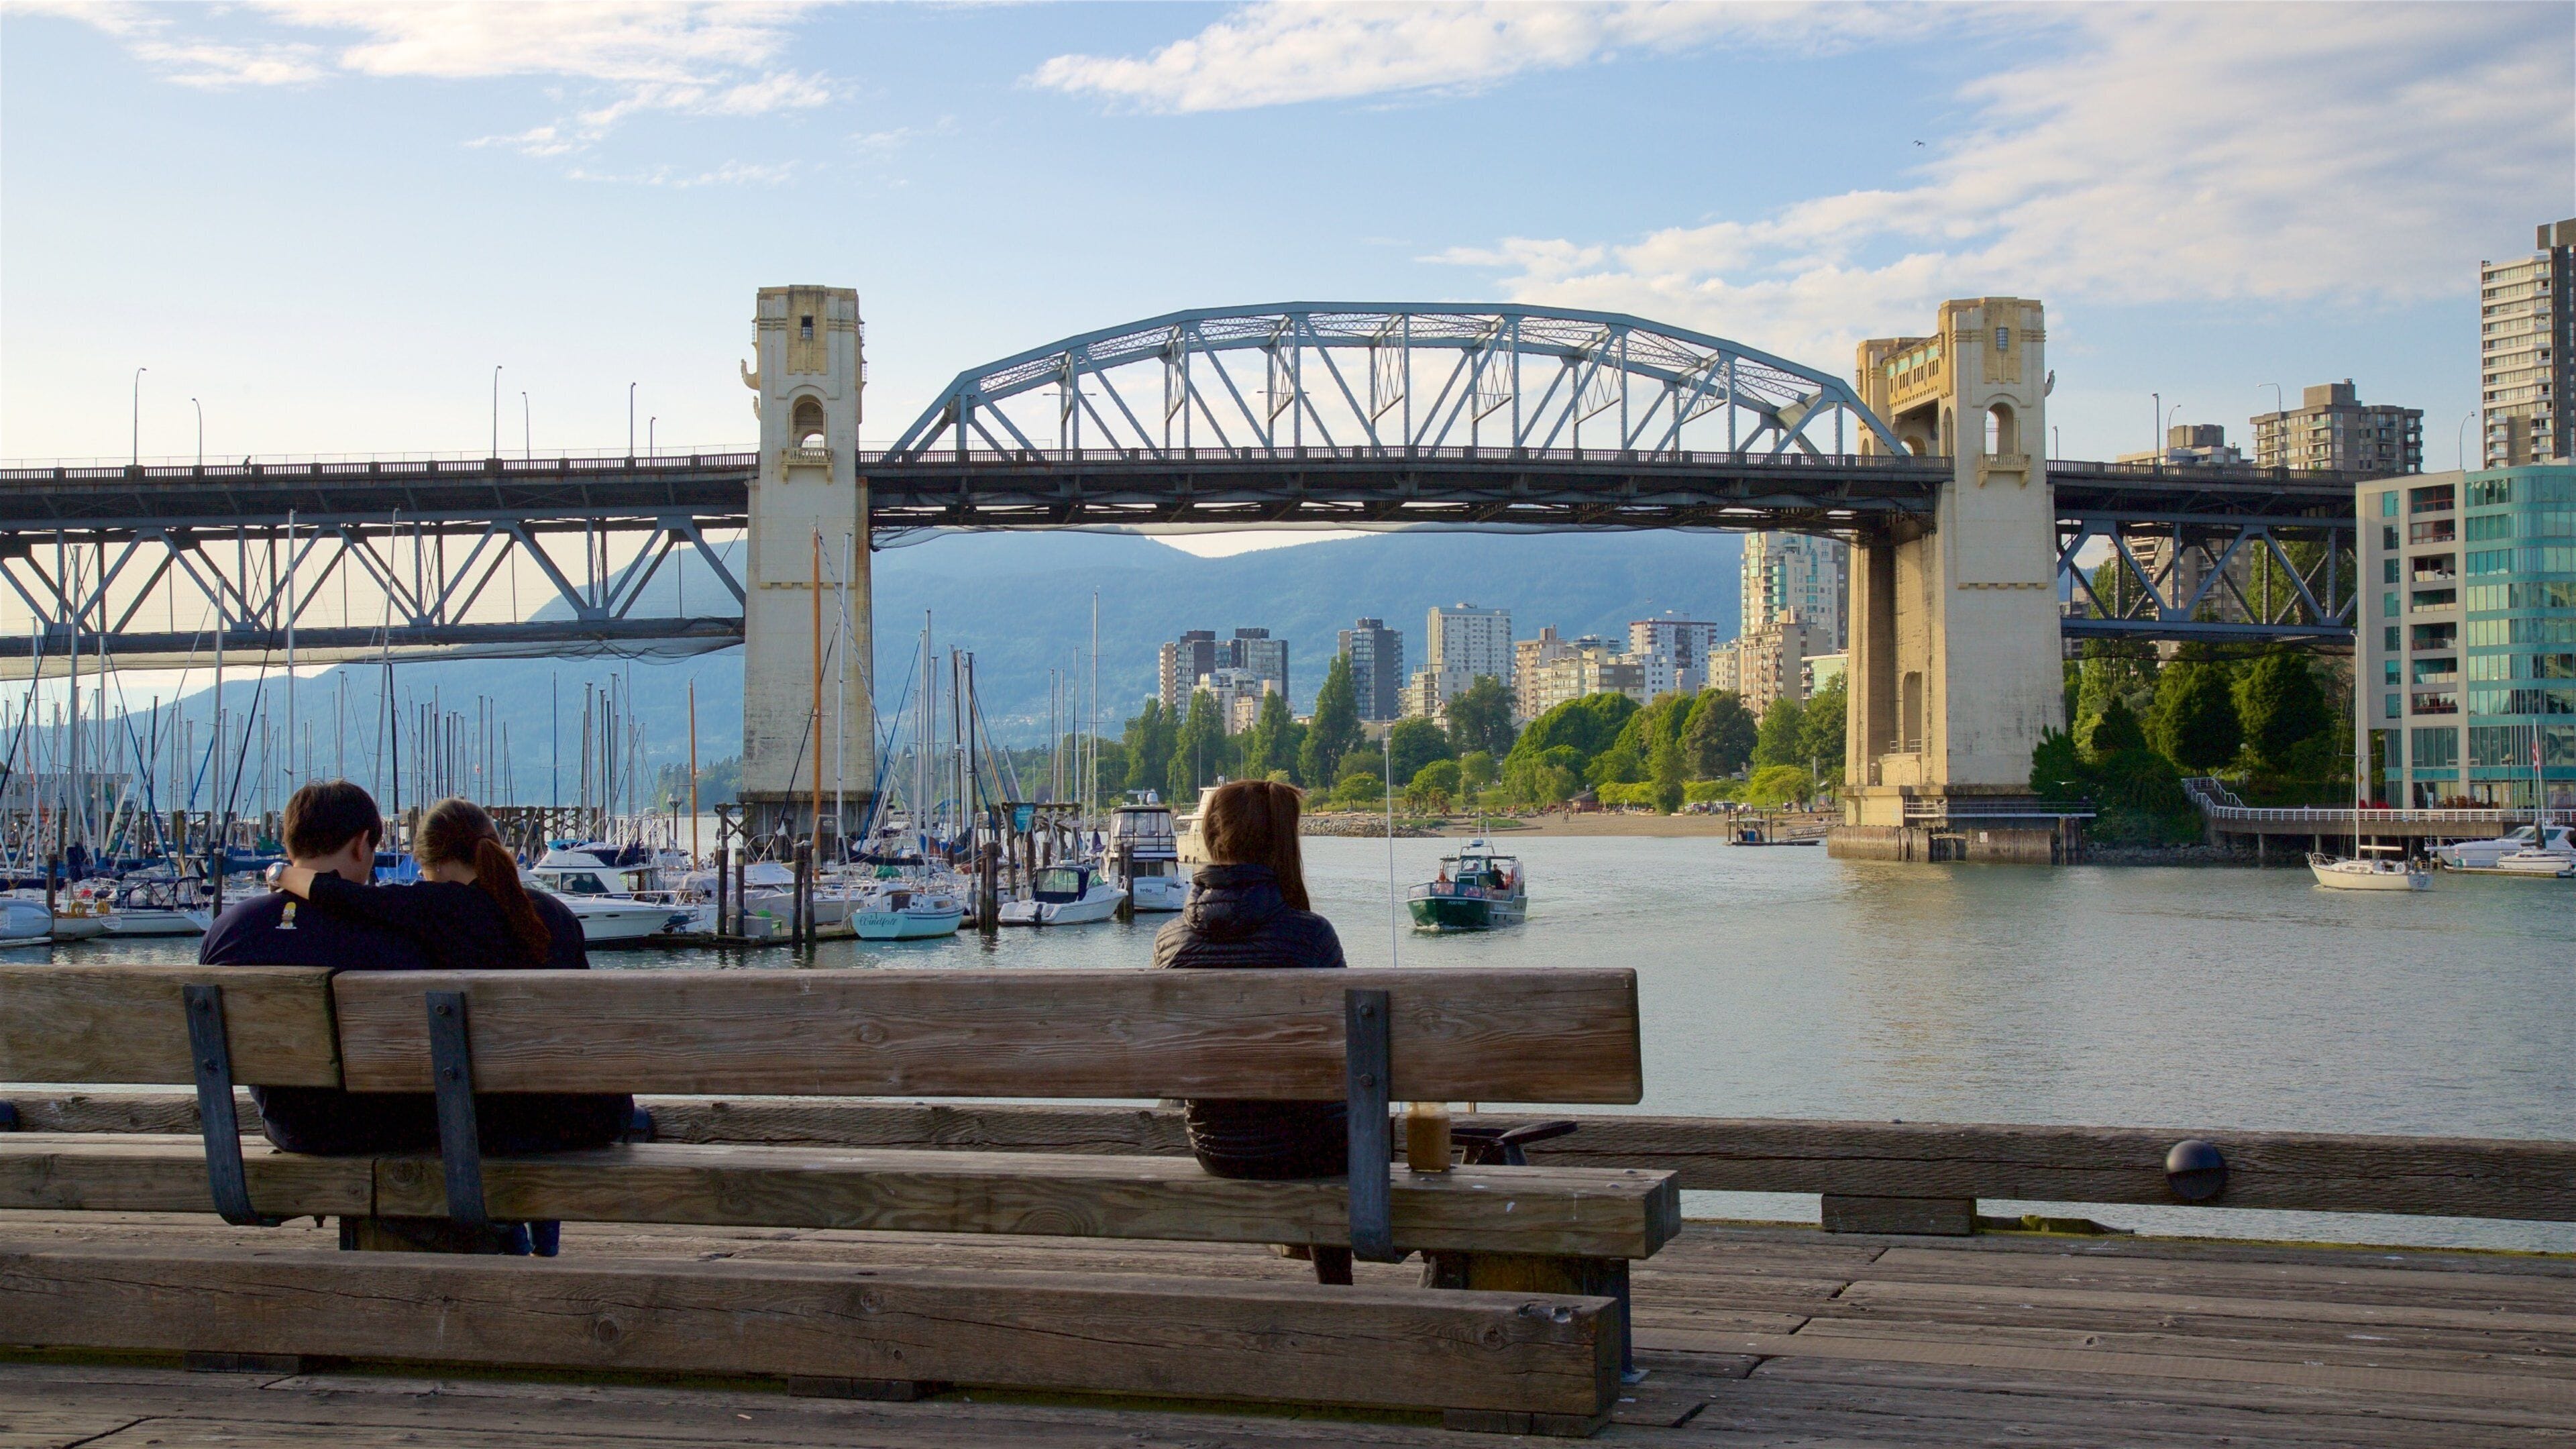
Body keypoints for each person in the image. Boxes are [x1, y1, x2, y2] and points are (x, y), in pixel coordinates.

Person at [265, 795, 632, 1157]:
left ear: (433, 865)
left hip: (503, 1126)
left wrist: (280, 872)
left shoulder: (436, 907)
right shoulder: (554, 913)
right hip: (593, 1116)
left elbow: (338, 894)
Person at [1152, 779, 1353, 1285]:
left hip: (1216, 1147)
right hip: (1306, 1152)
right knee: (1330, 1123)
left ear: (1213, 841)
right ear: (1282, 845)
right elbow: (1348, 1055)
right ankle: (1335, 1288)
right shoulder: (1311, 937)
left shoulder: (1170, 941)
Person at [200, 779, 437, 1156]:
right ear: (361, 845)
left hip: (291, 1130)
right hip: (392, 1130)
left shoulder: (228, 931)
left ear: (290, 843)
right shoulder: (394, 931)